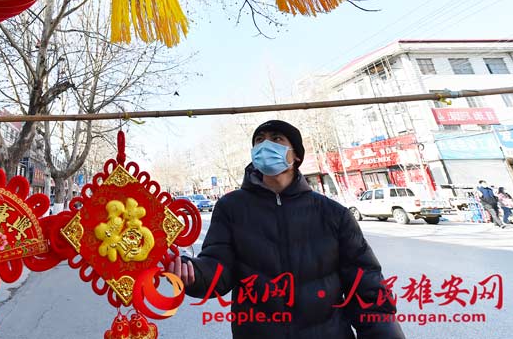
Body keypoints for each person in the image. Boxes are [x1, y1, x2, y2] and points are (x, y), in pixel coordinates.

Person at [169, 119, 404, 338]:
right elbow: (218, 268)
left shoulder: (333, 213)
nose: (265, 145)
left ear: (296, 156)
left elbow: (368, 288)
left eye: (276, 139)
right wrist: (192, 273)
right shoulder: (231, 208)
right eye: (259, 140)